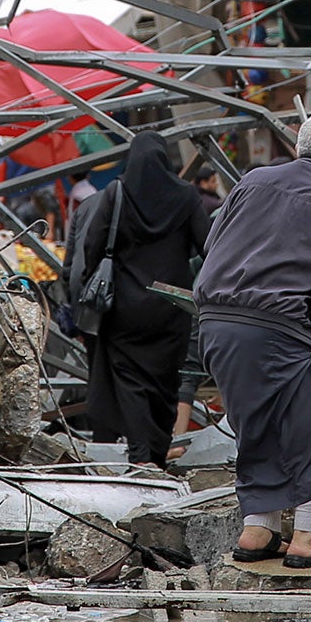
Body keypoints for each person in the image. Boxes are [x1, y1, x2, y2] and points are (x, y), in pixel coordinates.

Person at [195, 114, 311, 569]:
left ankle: (257, 531)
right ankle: (305, 540)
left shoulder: (252, 181)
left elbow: (214, 243)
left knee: (258, 424)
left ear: (297, 147)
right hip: (273, 327)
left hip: (214, 323)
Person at [69, 132, 210, 468]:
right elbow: (208, 247)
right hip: (171, 308)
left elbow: (91, 245)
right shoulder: (187, 196)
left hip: (124, 309)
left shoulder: (117, 192)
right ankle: (158, 454)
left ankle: (141, 456)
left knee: (130, 381)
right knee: (165, 381)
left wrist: (91, 281)